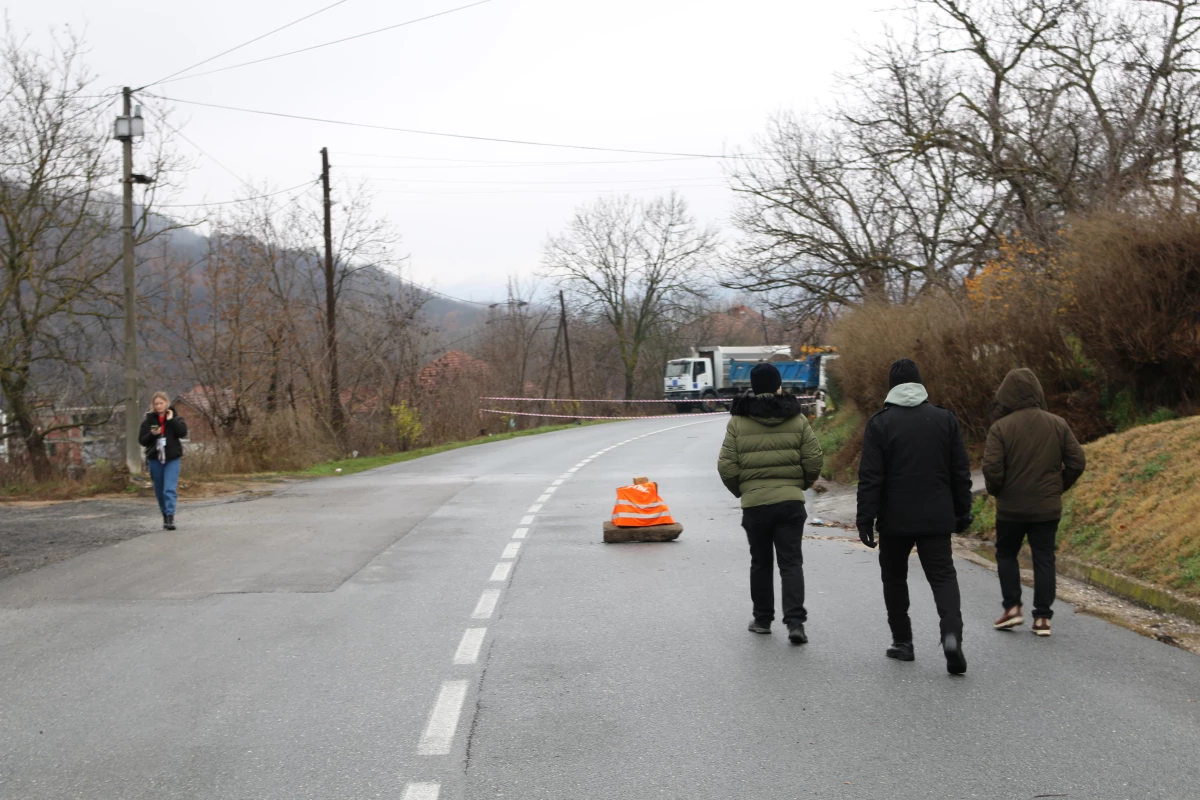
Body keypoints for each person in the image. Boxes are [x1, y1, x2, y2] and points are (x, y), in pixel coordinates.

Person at [856, 359, 973, 675]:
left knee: (894, 578)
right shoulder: (944, 420)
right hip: (937, 517)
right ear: (920, 384)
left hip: (895, 520)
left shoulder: (880, 423)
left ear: (891, 388)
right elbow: (960, 473)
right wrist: (963, 512)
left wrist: (865, 518)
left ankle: (903, 642)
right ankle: (951, 637)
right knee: (943, 577)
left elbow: (871, 477)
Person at [718, 363, 824, 645]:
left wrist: (745, 491)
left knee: (761, 562)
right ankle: (796, 623)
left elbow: (726, 466)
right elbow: (814, 459)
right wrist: (797, 486)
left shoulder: (738, 421)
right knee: (791, 563)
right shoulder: (797, 419)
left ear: (753, 387)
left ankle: (763, 619)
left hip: (756, 506)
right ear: (778, 386)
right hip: (790, 504)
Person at [983, 368, 1086, 637]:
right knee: (1043, 558)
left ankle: (1012, 608)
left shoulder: (1000, 428)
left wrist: (998, 491)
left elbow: (992, 470)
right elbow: (1077, 462)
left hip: (1011, 509)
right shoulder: (1057, 424)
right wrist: (1056, 487)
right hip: (1046, 508)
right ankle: (1042, 619)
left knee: (1006, 553)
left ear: (1005, 395)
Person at [138, 391, 188, 531]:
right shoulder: (149, 421)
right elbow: (142, 441)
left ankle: (171, 517)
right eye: (156, 404)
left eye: (161, 403)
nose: (159, 406)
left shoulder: (176, 418)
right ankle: (165, 516)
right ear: (153, 405)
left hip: (172, 457)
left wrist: (171, 420)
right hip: (155, 457)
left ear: (167, 403)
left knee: (169, 489)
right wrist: (152, 434)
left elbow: (182, 433)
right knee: (159, 490)